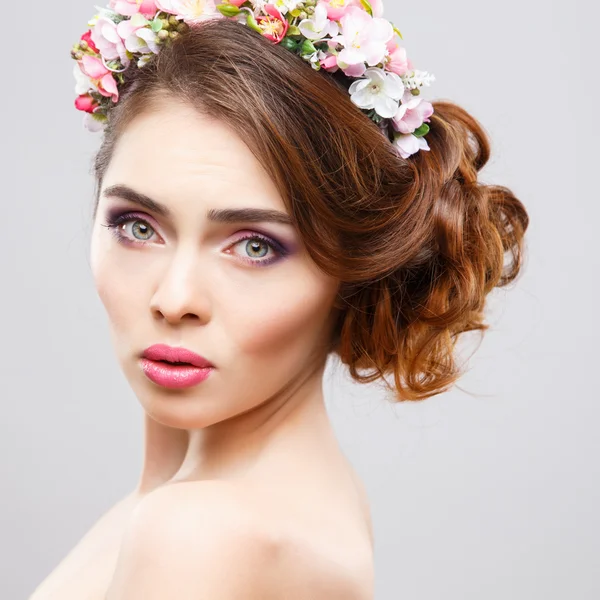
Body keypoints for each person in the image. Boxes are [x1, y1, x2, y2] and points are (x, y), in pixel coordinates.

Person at [31, 1, 529, 598]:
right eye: (138, 226)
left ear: (351, 268)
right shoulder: (255, 498)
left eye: (255, 247)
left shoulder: (198, 534)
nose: (174, 298)